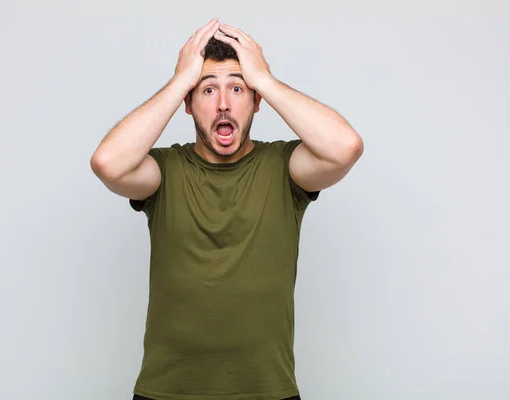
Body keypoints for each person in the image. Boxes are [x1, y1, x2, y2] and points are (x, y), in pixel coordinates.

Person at [90, 16, 364, 400]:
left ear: (256, 101)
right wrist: (179, 81)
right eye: (207, 90)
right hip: (167, 392)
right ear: (187, 103)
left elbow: (346, 147)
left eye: (237, 88)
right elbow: (108, 163)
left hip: (268, 391)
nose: (223, 104)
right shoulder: (165, 171)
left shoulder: (284, 169)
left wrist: (264, 79)